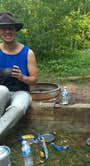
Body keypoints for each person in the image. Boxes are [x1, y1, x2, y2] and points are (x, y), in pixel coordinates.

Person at [0, 12, 37, 140]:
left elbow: (34, 80)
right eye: (4, 29)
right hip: (1, 92)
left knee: (20, 107)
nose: (7, 32)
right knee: (2, 90)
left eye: (10, 28)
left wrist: (22, 77)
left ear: (15, 30)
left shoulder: (28, 52)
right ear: (0, 32)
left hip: (21, 92)